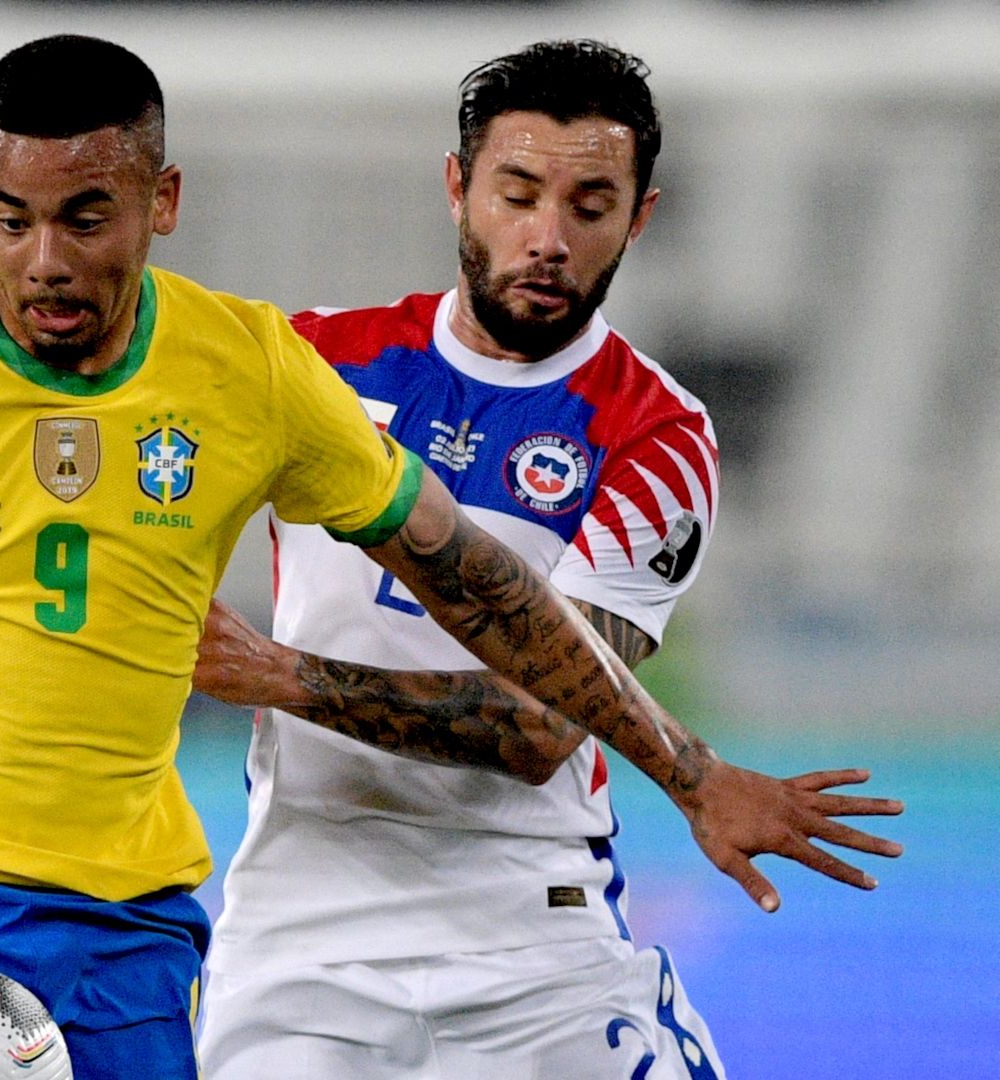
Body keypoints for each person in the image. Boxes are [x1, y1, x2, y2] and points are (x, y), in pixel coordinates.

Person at [0, 36, 893, 1079]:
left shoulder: (255, 378)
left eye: (88, 217)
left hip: (154, 918)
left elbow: (487, 600)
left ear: (162, 202)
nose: (46, 261)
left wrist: (688, 769)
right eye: (12, 219)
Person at [192, 40, 903, 1080]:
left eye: (589, 204)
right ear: (457, 187)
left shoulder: (657, 434)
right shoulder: (309, 363)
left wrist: (282, 677)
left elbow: (539, 729)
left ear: (639, 216)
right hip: (296, 941)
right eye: (518, 194)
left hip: (535, 945)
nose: (549, 238)